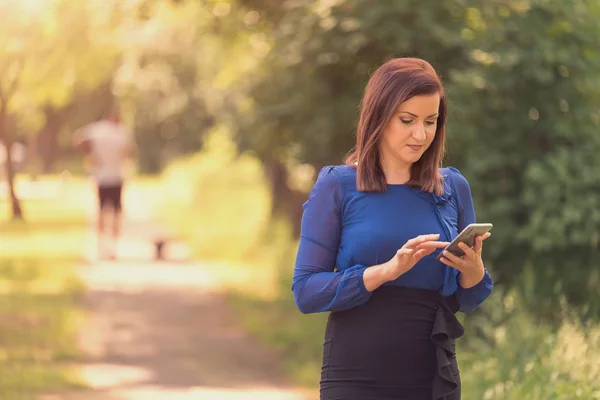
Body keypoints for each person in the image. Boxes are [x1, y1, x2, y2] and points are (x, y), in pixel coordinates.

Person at [292, 58, 493, 400]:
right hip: (354, 375)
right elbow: (306, 291)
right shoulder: (338, 185)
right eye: (407, 120)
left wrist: (473, 272)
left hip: (431, 375)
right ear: (379, 117)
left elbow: (467, 298)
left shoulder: (452, 187)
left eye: (430, 122)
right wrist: (385, 271)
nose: (421, 134)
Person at [74, 107, 135, 260]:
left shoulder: (96, 130)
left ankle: (101, 247)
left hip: (101, 176)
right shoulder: (121, 132)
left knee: (101, 211)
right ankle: (112, 248)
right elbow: (128, 152)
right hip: (115, 177)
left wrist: (90, 155)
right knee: (116, 212)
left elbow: (78, 138)